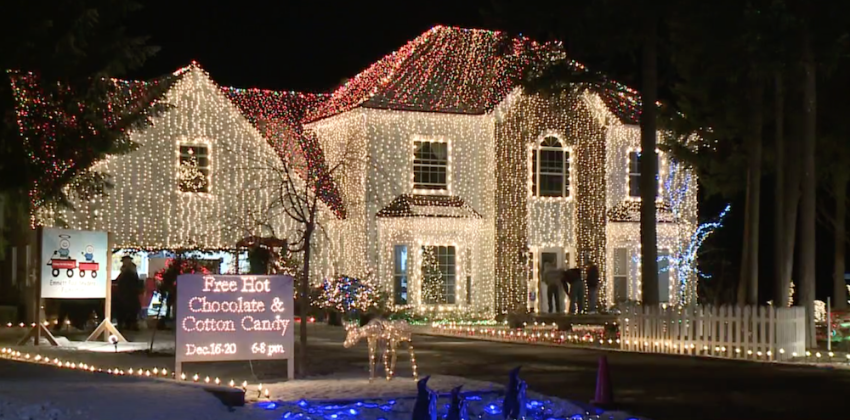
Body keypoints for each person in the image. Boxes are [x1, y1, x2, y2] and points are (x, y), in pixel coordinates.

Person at [116, 256, 142, 330]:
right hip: (127, 294)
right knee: (128, 310)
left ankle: (130, 324)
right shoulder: (127, 271)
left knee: (129, 309)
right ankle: (129, 324)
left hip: (129, 294)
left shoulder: (129, 271)